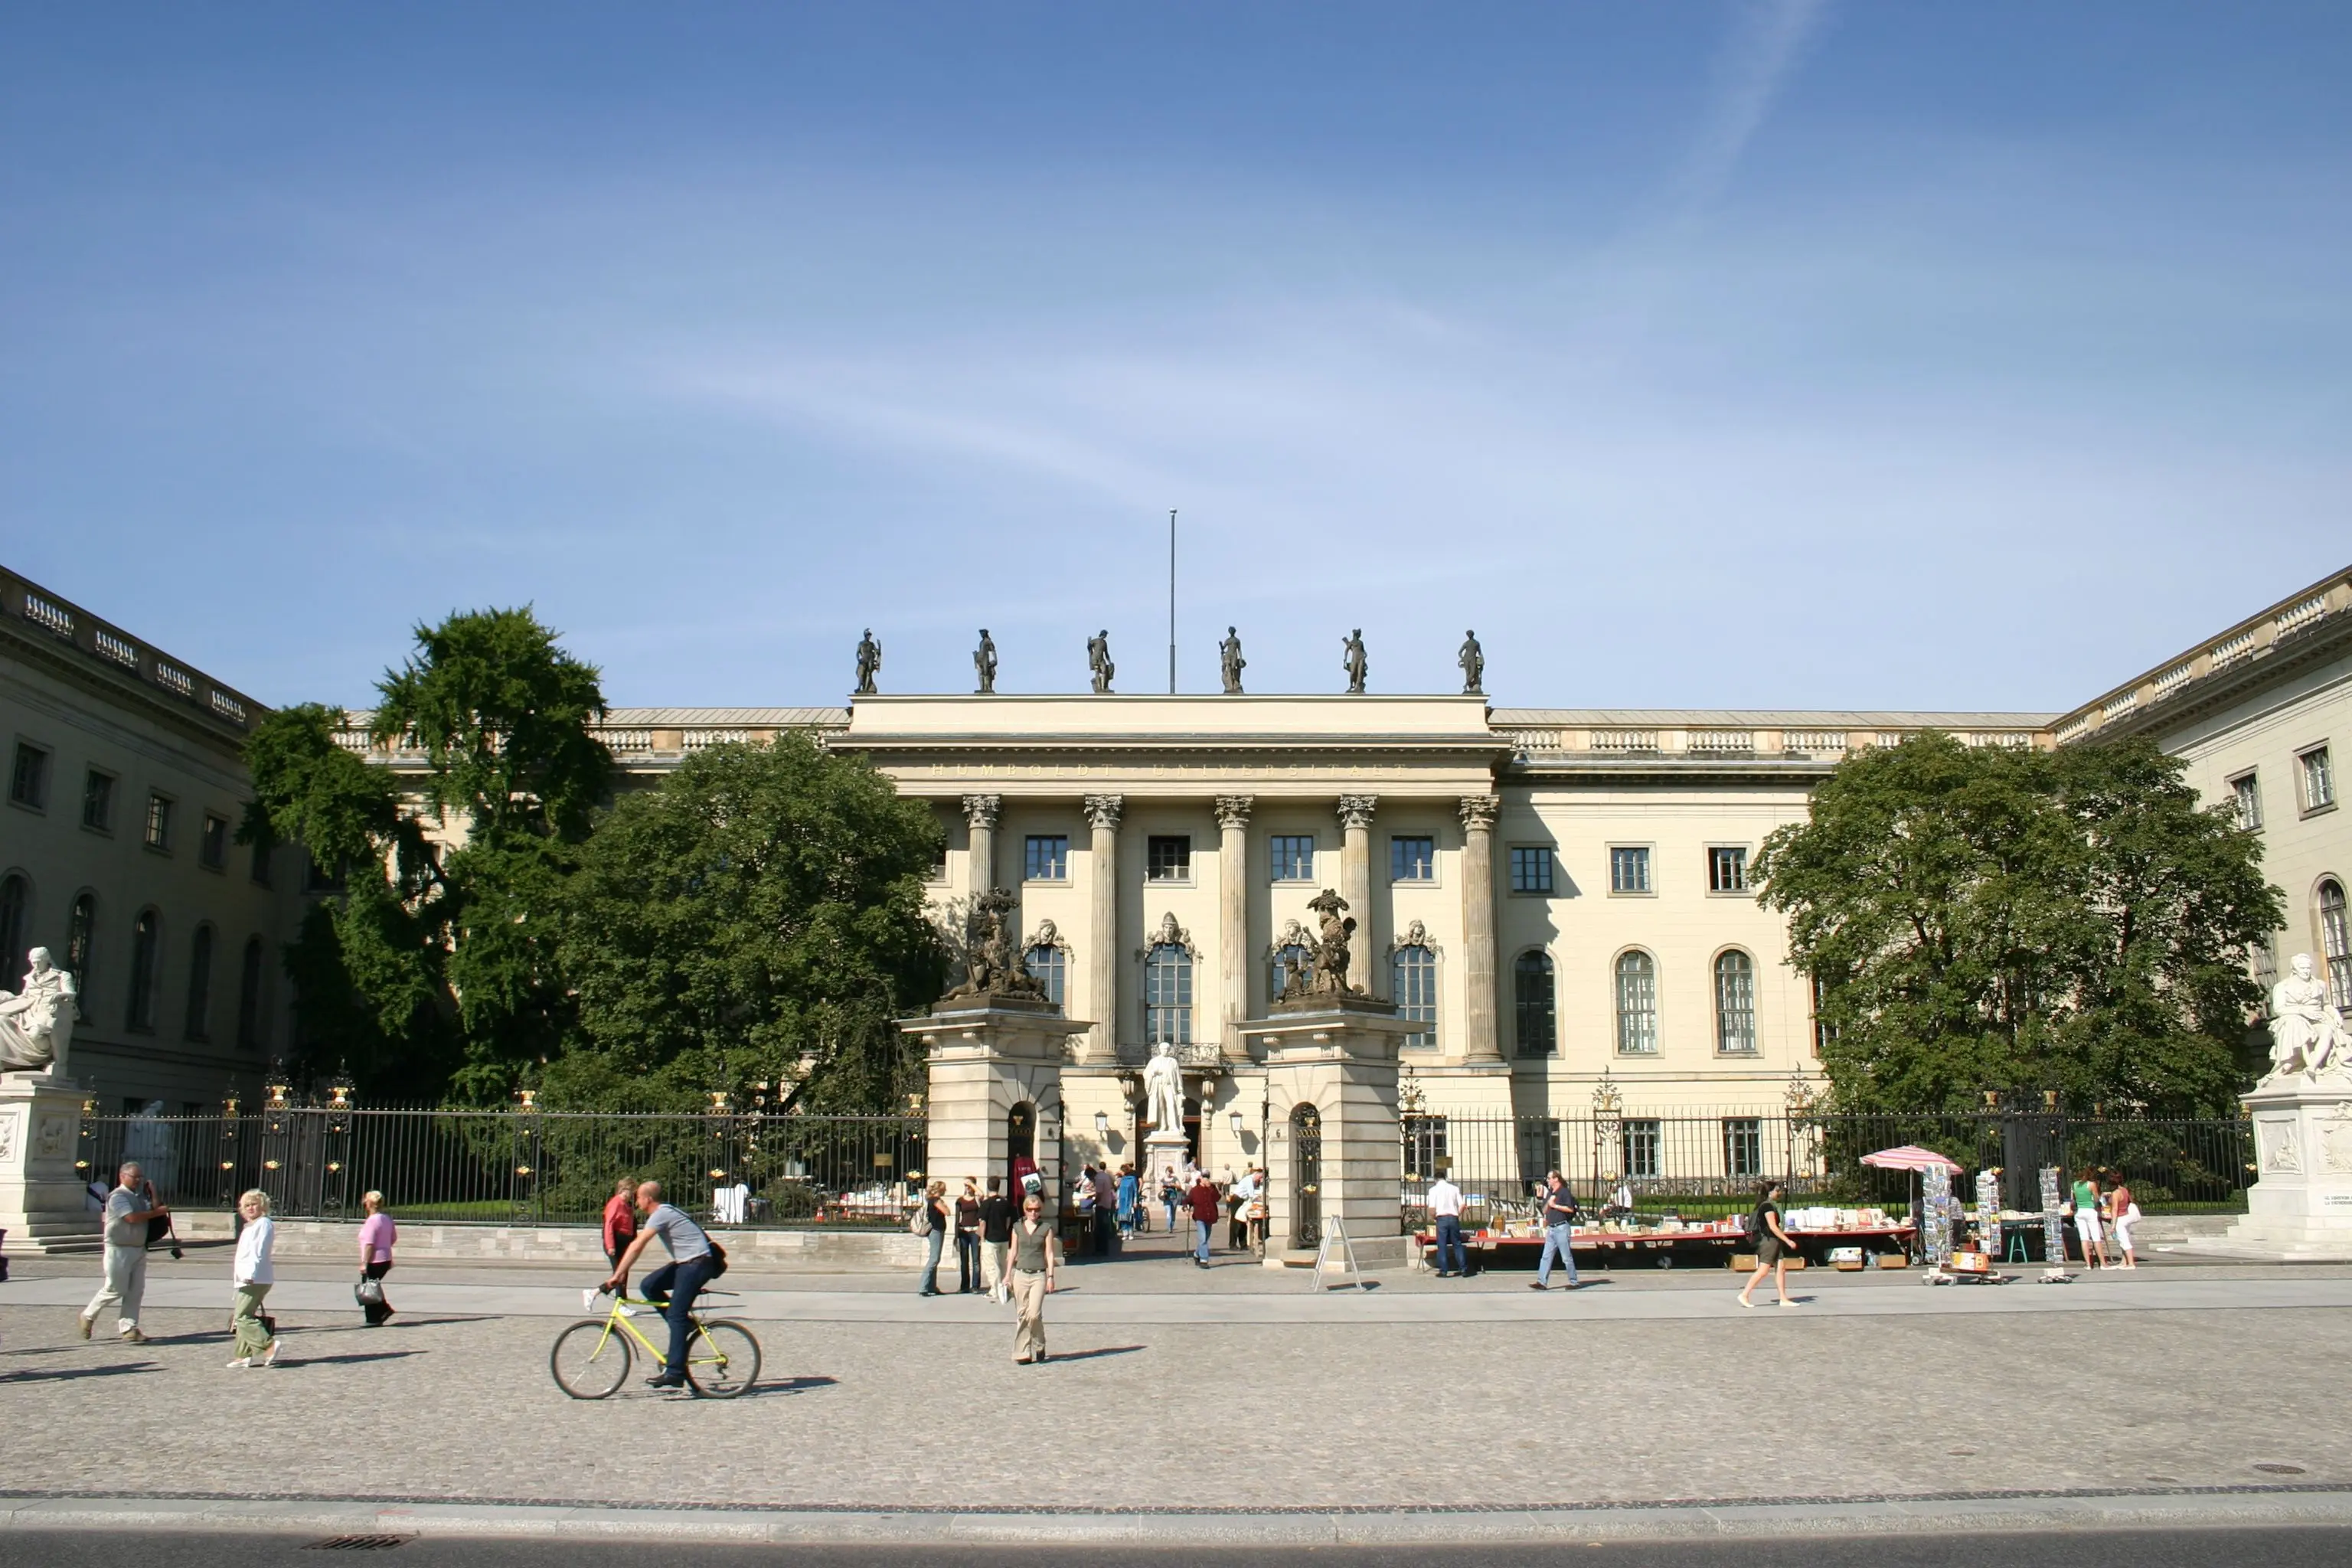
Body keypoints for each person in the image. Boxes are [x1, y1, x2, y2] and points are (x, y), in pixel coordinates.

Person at [603, 1181, 716, 1390]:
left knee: (675, 1314)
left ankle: (675, 1372)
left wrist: (618, 1274)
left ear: (648, 1199)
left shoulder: (661, 1214)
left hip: (698, 1264)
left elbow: (637, 1245)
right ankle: (686, 1325)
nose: (636, 1202)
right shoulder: (663, 1212)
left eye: (638, 1198)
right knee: (649, 1285)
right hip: (688, 1263)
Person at [80, 1161, 167, 1345]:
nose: (137, 1180)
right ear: (122, 1176)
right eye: (134, 1177)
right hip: (118, 1248)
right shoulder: (118, 1196)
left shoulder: (140, 1197)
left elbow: (156, 1211)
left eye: (140, 1177)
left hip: (138, 1247)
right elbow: (131, 1217)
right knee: (115, 1288)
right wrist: (156, 1212)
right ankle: (88, 1315)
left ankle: (129, 1327)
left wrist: (154, 1193)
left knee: (136, 1290)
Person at [227, 1187, 281, 1368]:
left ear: (262, 1206)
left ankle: (268, 1345)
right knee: (243, 1315)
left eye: (254, 1204)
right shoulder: (252, 1225)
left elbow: (258, 1250)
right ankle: (243, 1354)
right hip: (248, 1276)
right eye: (247, 1205)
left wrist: (250, 1274)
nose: (250, 1208)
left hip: (254, 1277)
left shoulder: (263, 1224)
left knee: (242, 1316)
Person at [1008, 1190, 1058, 1364]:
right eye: (1030, 1209)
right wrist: (1007, 1275)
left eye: (1037, 1209)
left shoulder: (1046, 1228)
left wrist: (1051, 1277)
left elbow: (1050, 1254)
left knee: (1034, 1314)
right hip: (1020, 1274)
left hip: (1039, 1275)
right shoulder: (1017, 1227)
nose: (1033, 1213)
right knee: (1022, 1314)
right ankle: (1022, 1352)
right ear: (1025, 1210)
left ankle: (1039, 1343)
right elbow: (1013, 1252)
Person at [1738, 1180, 1797, 1308]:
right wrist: (1788, 1240)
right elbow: (1773, 1227)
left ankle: (1783, 1298)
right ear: (1770, 1193)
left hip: (1775, 1240)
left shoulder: (1771, 1205)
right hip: (1769, 1241)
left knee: (1781, 1268)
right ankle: (1744, 1294)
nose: (1779, 1193)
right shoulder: (1767, 1206)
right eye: (1777, 1190)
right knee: (1763, 1270)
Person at [1531, 1171, 1580, 1292]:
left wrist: (1555, 1205)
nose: (1547, 1180)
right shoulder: (1550, 1193)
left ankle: (1574, 1282)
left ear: (1556, 1179)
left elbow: (1570, 1209)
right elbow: (1544, 1210)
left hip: (1561, 1228)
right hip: (1551, 1228)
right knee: (1546, 1256)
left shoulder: (1564, 1192)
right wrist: (1547, 1203)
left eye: (1549, 1178)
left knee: (1566, 1257)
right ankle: (1541, 1282)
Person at [600, 1175, 641, 1314]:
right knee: (620, 1273)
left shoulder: (626, 1205)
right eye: (631, 1191)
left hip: (624, 1241)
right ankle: (620, 1303)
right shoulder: (616, 1203)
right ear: (624, 1190)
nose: (633, 1194)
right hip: (616, 1241)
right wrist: (610, 1245)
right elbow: (609, 1225)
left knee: (623, 1273)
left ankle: (598, 1293)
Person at [356, 1189, 397, 1327]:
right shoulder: (387, 1218)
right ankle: (383, 1310)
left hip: (374, 1259)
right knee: (373, 1285)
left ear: (369, 1203)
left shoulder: (372, 1221)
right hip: (385, 1258)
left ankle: (374, 1317)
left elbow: (369, 1244)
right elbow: (393, 1238)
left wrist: (364, 1263)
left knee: (369, 1288)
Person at [978, 1175, 1014, 1303]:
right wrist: (1004, 1230)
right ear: (999, 1186)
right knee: (1002, 1264)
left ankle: (995, 1290)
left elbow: (983, 1222)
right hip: (1003, 1238)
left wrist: (982, 1237)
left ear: (988, 1187)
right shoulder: (1005, 1202)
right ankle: (1005, 1287)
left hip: (990, 1239)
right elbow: (1008, 1220)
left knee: (992, 1266)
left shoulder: (986, 1203)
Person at [1426, 1171, 1466, 1277]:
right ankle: (1463, 1269)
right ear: (1445, 1178)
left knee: (1442, 1245)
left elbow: (1431, 1209)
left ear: (1435, 1180)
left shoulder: (1433, 1190)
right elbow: (1462, 1205)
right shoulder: (1454, 1189)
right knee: (1457, 1244)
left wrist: (1434, 1217)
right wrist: (1457, 1214)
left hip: (1441, 1218)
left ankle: (1444, 1271)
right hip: (1453, 1217)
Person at [917, 1179, 949, 1297]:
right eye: (944, 1188)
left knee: (935, 1259)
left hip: (936, 1230)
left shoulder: (931, 1200)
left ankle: (932, 1286)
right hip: (936, 1231)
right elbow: (947, 1212)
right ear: (940, 1190)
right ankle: (923, 1287)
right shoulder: (936, 1200)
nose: (946, 1191)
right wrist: (944, 1204)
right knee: (934, 1259)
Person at [2071, 1168, 2105, 1269]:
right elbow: (2096, 1199)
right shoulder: (2091, 1184)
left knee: (2084, 1238)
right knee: (2096, 1237)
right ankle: (2103, 1263)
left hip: (2079, 1212)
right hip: (2090, 1211)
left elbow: (2073, 1199)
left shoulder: (2074, 1185)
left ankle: (2088, 1264)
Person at [1187, 1170, 1222, 1268]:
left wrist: (1210, 1187)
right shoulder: (1195, 1190)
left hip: (1210, 1216)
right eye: (1204, 1177)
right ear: (1200, 1178)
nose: (1206, 1179)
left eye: (1207, 1177)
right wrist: (1186, 1208)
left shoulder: (1212, 1188)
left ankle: (1196, 1254)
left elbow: (1217, 1198)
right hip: (1199, 1217)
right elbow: (1188, 1200)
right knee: (1202, 1238)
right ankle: (1204, 1260)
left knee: (1206, 1238)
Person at [954, 1178, 983, 1294]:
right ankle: (964, 1286)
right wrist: (955, 1236)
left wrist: (972, 1184)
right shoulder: (960, 1200)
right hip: (963, 1231)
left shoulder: (977, 1199)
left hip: (975, 1231)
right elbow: (957, 1218)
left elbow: (982, 1194)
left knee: (976, 1260)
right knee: (964, 1260)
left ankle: (975, 1286)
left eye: (969, 1186)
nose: (967, 1188)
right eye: (966, 1186)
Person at [2105, 1171, 2139, 1269]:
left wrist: (2113, 1225)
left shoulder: (2115, 1194)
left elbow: (2115, 1209)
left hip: (2120, 1219)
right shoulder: (2124, 1190)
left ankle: (2131, 1263)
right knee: (2124, 1239)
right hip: (2126, 1216)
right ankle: (2124, 1261)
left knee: (2124, 1241)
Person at [1091, 1165, 1119, 1257]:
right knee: (1105, 1228)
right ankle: (1105, 1249)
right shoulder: (1106, 1176)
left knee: (1100, 1229)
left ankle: (1100, 1250)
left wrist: (1091, 1203)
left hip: (1101, 1205)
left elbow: (1099, 1195)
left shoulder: (1098, 1179)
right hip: (1107, 1204)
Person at [1116, 1164, 1140, 1243]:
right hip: (1122, 1201)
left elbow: (1135, 1191)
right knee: (1122, 1217)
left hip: (1129, 1201)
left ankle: (1131, 1233)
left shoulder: (1132, 1179)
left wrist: (1135, 1201)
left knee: (1129, 1217)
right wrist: (1118, 1202)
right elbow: (1119, 1191)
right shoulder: (1122, 1179)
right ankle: (1125, 1233)